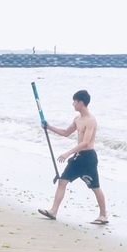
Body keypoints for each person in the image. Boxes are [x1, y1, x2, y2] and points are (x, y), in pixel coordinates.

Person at [38, 89, 108, 225]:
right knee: (62, 181)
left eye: (74, 101)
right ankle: (53, 211)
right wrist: (48, 126)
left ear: (81, 103)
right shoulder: (77, 119)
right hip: (78, 157)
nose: (72, 104)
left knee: (95, 186)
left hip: (88, 158)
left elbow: (86, 142)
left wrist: (67, 153)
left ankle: (103, 215)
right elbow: (65, 133)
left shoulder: (91, 121)